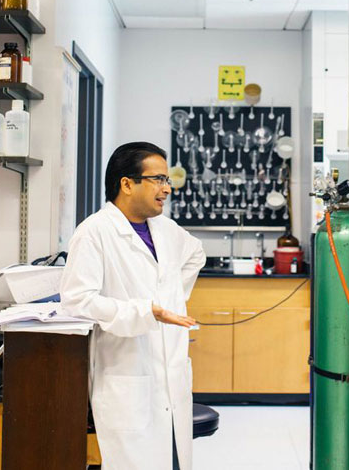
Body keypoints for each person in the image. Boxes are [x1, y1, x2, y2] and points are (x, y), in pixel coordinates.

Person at [61, 141, 206, 470]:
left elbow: (195, 255)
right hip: (126, 374)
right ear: (126, 184)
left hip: (171, 372)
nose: (166, 189)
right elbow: (77, 301)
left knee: (173, 461)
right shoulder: (94, 233)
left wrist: (170, 299)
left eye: (167, 180)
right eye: (158, 179)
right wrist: (144, 312)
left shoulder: (164, 228)